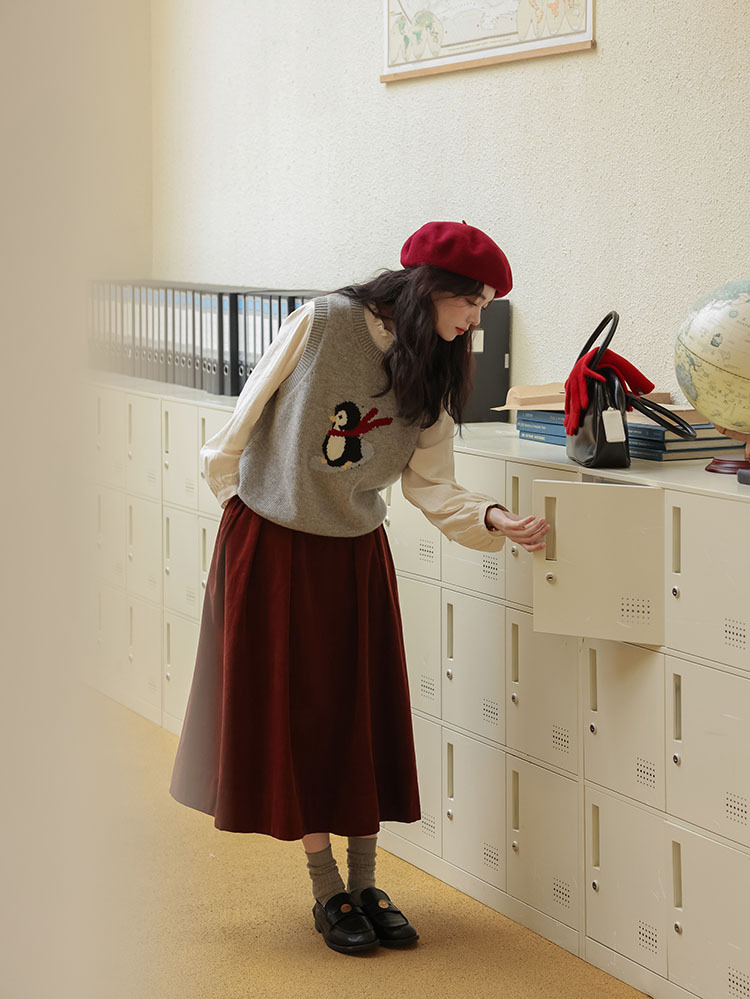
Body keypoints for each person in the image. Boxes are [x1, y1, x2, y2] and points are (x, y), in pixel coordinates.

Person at [168, 220, 551, 956]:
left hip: (353, 554)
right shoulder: (322, 322)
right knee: (297, 716)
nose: (477, 320)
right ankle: (328, 889)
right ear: (429, 288)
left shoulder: (435, 367)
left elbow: (432, 484)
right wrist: (242, 508)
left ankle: (369, 883)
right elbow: (243, 418)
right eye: (470, 302)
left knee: (359, 712)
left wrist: (495, 519)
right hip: (273, 541)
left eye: (484, 306)